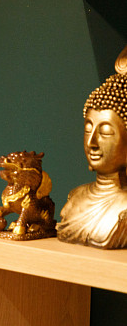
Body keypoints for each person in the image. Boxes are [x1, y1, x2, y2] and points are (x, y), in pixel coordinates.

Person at [57, 72, 127, 248]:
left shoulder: (124, 209)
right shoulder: (75, 198)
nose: (91, 143)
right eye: (88, 130)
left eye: (105, 133)